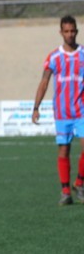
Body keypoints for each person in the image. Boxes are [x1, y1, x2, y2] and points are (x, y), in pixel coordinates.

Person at [31, 15, 84, 205]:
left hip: (81, 110)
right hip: (62, 112)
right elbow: (44, 82)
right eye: (66, 31)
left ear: (77, 31)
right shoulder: (54, 57)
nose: (70, 34)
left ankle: (79, 183)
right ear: (61, 32)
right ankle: (65, 191)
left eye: (72, 31)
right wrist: (36, 107)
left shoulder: (83, 54)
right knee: (64, 150)